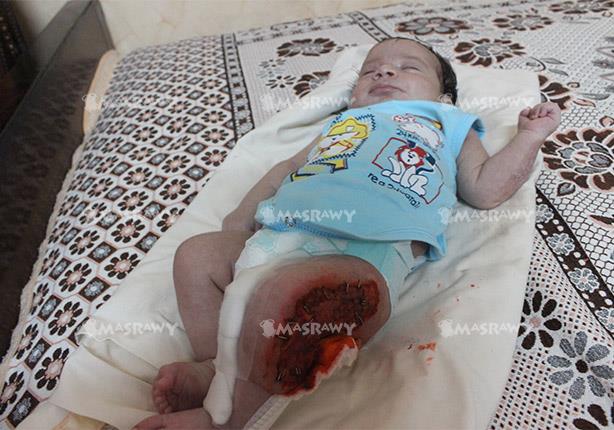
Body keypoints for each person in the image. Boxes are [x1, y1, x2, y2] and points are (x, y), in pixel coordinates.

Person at [135, 37, 560, 429]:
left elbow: (485, 188)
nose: (384, 72)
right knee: (196, 256)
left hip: (360, 260)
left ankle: (227, 419)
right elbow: (286, 169)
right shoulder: (344, 122)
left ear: (442, 96)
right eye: (370, 70)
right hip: (275, 236)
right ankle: (214, 365)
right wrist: (241, 217)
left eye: (408, 67)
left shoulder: (447, 124)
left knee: (285, 296)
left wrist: (529, 137)